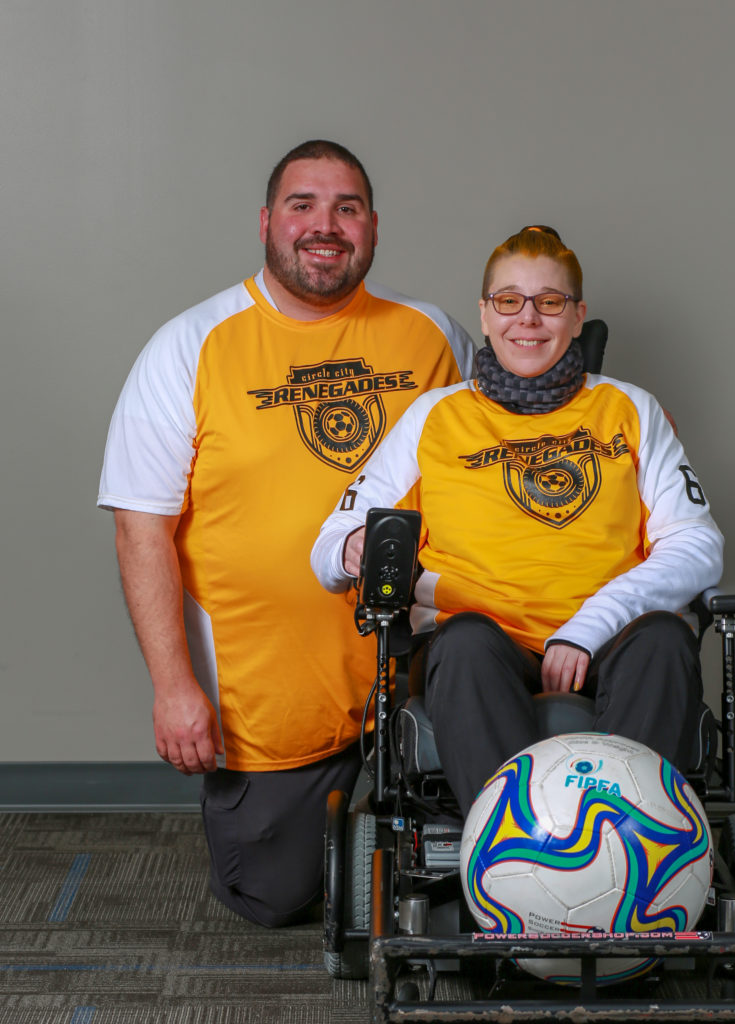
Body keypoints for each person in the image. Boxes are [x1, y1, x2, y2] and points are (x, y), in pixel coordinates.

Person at [97, 140, 474, 925]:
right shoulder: (189, 347)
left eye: (346, 207)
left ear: (372, 226)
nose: (324, 226)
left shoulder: (432, 333)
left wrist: (620, 412)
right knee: (272, 896)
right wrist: (175, 689)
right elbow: (141, 531)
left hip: (419, 669)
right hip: (271, 699)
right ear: (268, 221)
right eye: (302, 205)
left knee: (489, 869)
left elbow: (504, 434)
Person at [311, 224, 723, 818]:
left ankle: (629, 848)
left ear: (578, 316)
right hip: (480, 643)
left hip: (610, 640)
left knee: (664, 640)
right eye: (509, 301)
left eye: (549, 302)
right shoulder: (435, 417)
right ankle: (511, 852)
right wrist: (351, 549)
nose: (527, 318)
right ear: (484, 314)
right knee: (464, 642)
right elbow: (328, 547)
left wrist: (588, 627)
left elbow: (697, 544)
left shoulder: (631, 409)